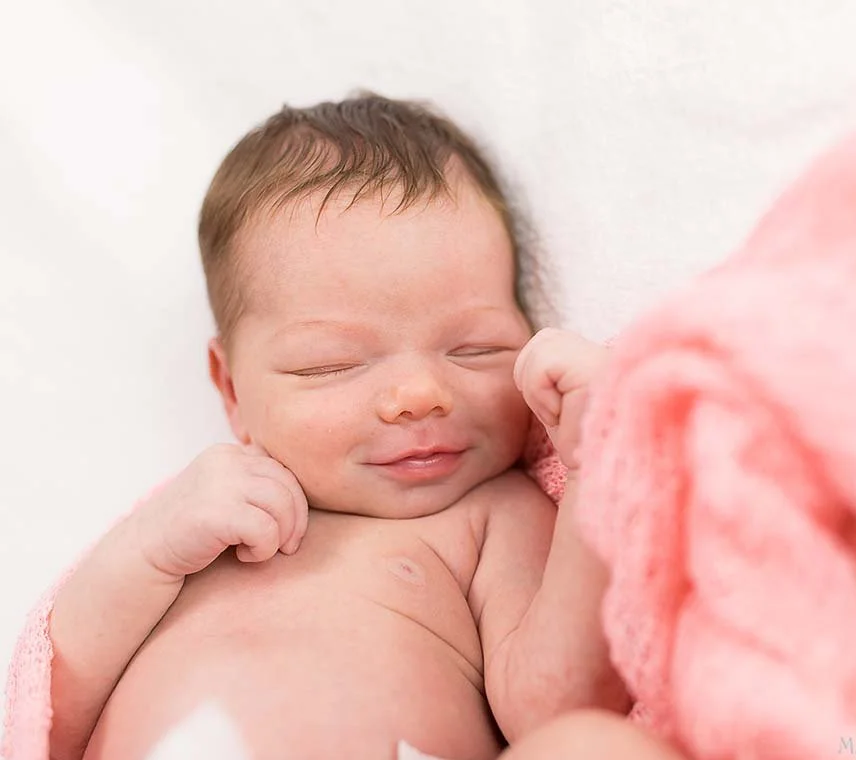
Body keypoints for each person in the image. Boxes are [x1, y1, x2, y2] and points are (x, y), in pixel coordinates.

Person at [44, 92, 629, 760]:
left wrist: (593, 469)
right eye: (333, 364)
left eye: (475, 349)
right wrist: (144, 551)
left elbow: (556, 705)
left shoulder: (492, 518)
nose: (418, 394)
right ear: (231, 389)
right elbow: (54, 711)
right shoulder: (197, 521)